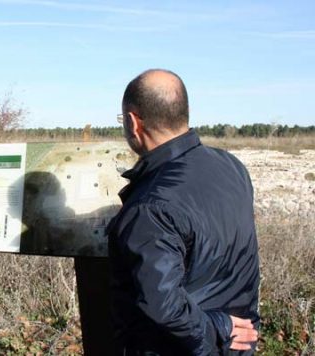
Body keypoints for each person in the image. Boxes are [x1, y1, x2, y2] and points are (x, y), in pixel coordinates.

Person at [106, 69, 260, 355]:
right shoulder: (231, 166)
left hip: (188, 346)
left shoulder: (149, 207)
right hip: (240, 341)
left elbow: (163, 305)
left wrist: (219, 329)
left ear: (133, 122)